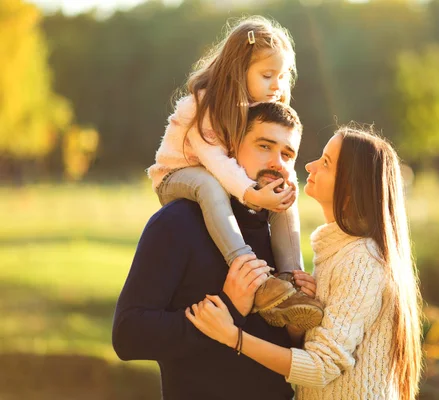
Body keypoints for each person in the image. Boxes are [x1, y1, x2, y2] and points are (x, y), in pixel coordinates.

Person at [186, 127, 423, 400]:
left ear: (351, 187)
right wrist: (299, 323)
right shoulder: (336, 251)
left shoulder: (361, 260)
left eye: (326, 163)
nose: (310, 166)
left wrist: (232, 337)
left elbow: (321, 367)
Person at [113, 102, 321, 399]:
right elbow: (128, 336)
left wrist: (296, 327)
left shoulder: (280, 236)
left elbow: (293, 357)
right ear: (231, 150)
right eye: (264, 146)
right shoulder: (178, 222)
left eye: (287, 154)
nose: (278, 162)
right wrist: (229, 305)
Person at [146, 15, 322, 326]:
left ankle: (290, 282)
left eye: (282, 77)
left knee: (281, 193)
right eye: (268, 75)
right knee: (208, 185)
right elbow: (217, 164)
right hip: (178, 174)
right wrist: (253, 196)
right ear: (239, 72)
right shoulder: (202, 107)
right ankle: (247, 266)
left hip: (223, 178)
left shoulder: (257, 109)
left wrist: (285, 188)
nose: (277, 86)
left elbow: (278, 156)